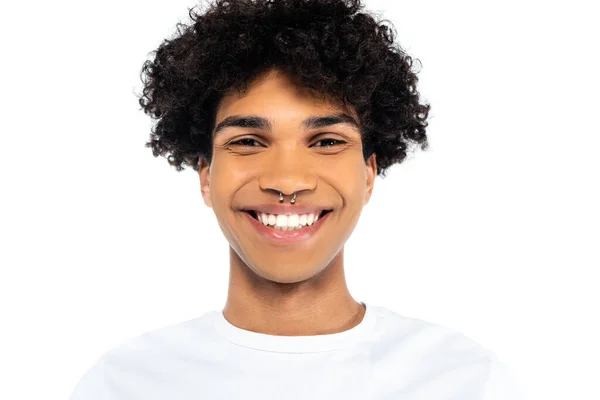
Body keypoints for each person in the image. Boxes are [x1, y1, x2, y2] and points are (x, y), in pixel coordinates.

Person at [70, 0, 525, 398]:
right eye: (248, 141)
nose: (287, 181)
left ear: (369, 174)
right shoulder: (122, 384)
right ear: (205, 175)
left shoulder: (464, 382)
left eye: (326, 142)